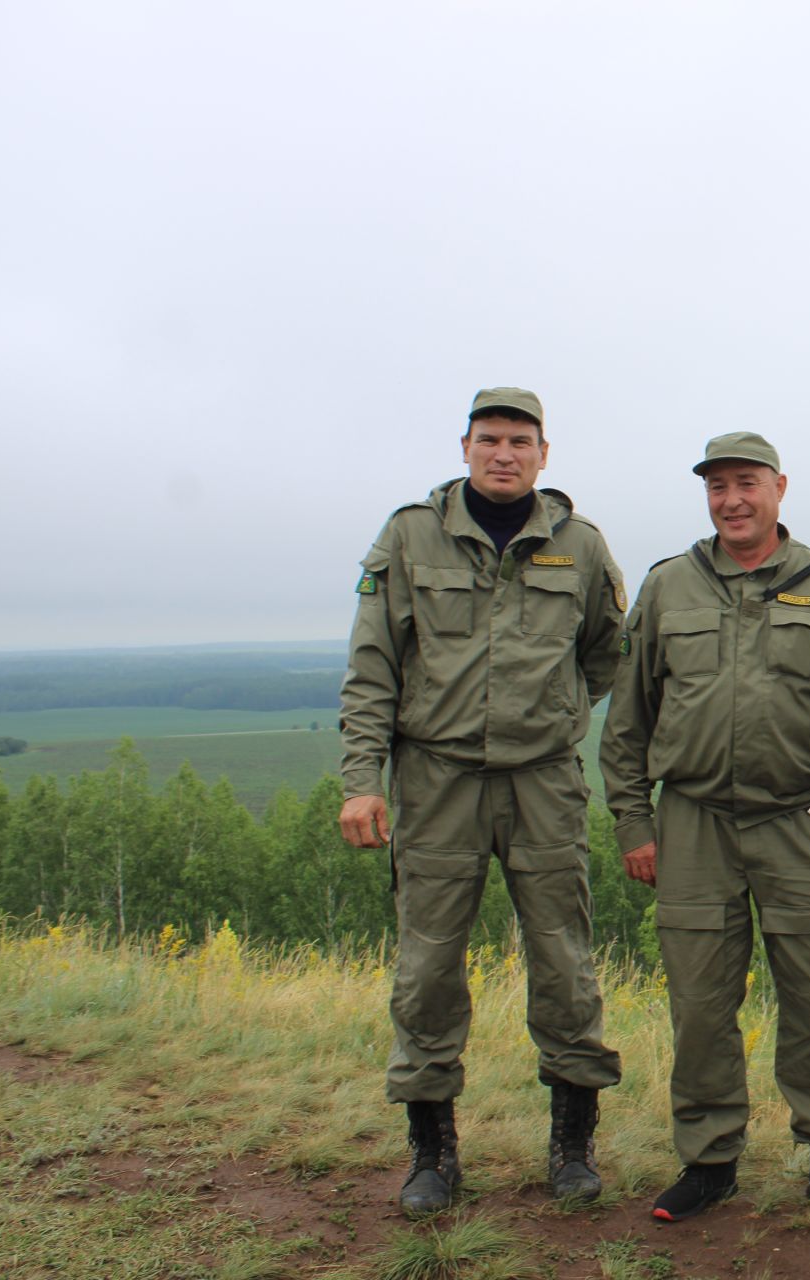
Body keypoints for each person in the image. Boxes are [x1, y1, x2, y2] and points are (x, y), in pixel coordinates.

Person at [337, 387, 626, 1218]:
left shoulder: (580, 545)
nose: (505, 454)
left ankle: (572, 1148)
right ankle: (433, 1155)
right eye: (490, 439)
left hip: (544, 784)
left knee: (565, 965)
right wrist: (363, 779)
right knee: (427, 968)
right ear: (464, 446)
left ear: (544, 453)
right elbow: (373, 668)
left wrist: (561, 714)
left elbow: (609, 654)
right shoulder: (410, 537)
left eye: (520, 442)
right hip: (436, 782)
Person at [599, 431, 810, 1222]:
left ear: (780, 488)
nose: (731, 499)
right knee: (698, 1002)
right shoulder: (669, 587)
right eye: (718, 486)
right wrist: (634, 822)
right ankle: (709, 1159)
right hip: (691, 824)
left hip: (800, 824)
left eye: (746, 483)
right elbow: (626, 720)